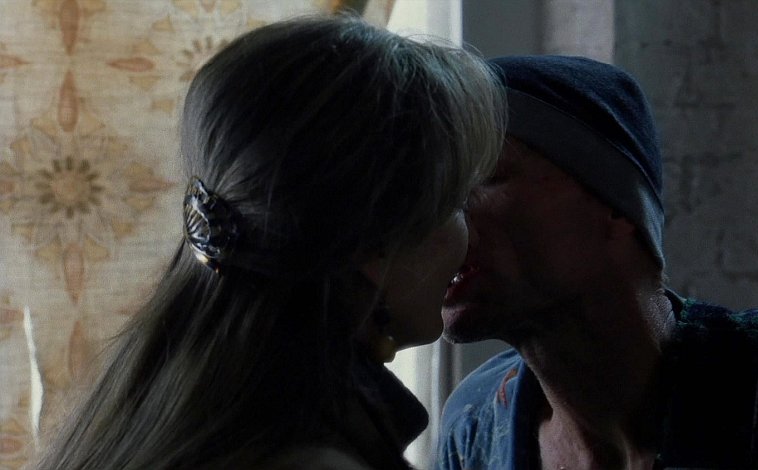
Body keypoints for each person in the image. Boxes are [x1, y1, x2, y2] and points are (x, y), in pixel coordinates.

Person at [31, 15, 506, 470]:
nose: (475, 231)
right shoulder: (311, 460)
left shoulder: (154, 405)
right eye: (456, 202)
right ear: (376, 245)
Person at [437, 55, 758, 469]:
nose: (438, 219)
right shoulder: (474, 427)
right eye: (433, 191)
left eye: (484, 178)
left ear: (616, 207)